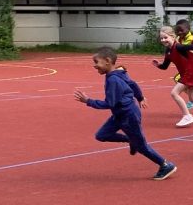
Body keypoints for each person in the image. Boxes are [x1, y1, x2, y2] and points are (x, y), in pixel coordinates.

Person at [74, 47, 176, 180]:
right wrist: (140, 97)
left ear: (107, 61)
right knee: (101, 135)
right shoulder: (118, 73)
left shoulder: (113, 80)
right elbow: (133, 84)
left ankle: (165, 165)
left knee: (141, 146)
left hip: (128, 116)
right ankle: (130, 140)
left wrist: (88, 101)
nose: (94, 66)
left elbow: (110, 103)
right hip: (120, 114)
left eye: (96, 62)